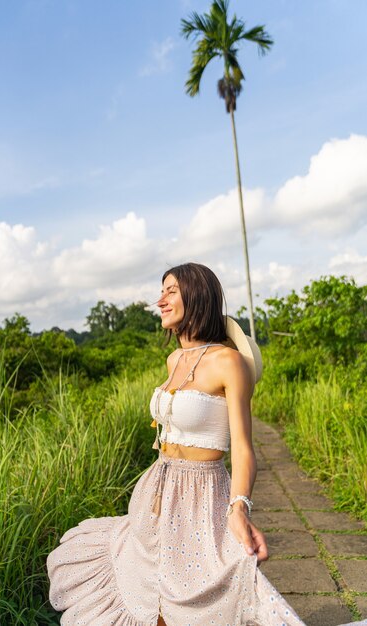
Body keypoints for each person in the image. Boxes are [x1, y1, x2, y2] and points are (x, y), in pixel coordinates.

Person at [47, 262, 366, 626]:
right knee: (151, 597)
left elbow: (244, 448)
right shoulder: (173, 359)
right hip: (156, 492)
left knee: (198, 596)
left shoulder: (228, 362)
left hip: (201, 495)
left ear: (197, 296)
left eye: (171, 291)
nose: (160, 300)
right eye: (161, 291)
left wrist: (240, 507)